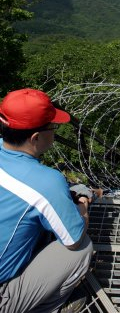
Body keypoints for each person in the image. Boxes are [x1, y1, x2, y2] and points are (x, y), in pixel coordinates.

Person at [0, 88, 94, 313]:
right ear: (36, 137)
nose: (54, 132)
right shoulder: (47, 182)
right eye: (53, 127)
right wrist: (83, 201)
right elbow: (73, 239)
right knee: (82, 248)